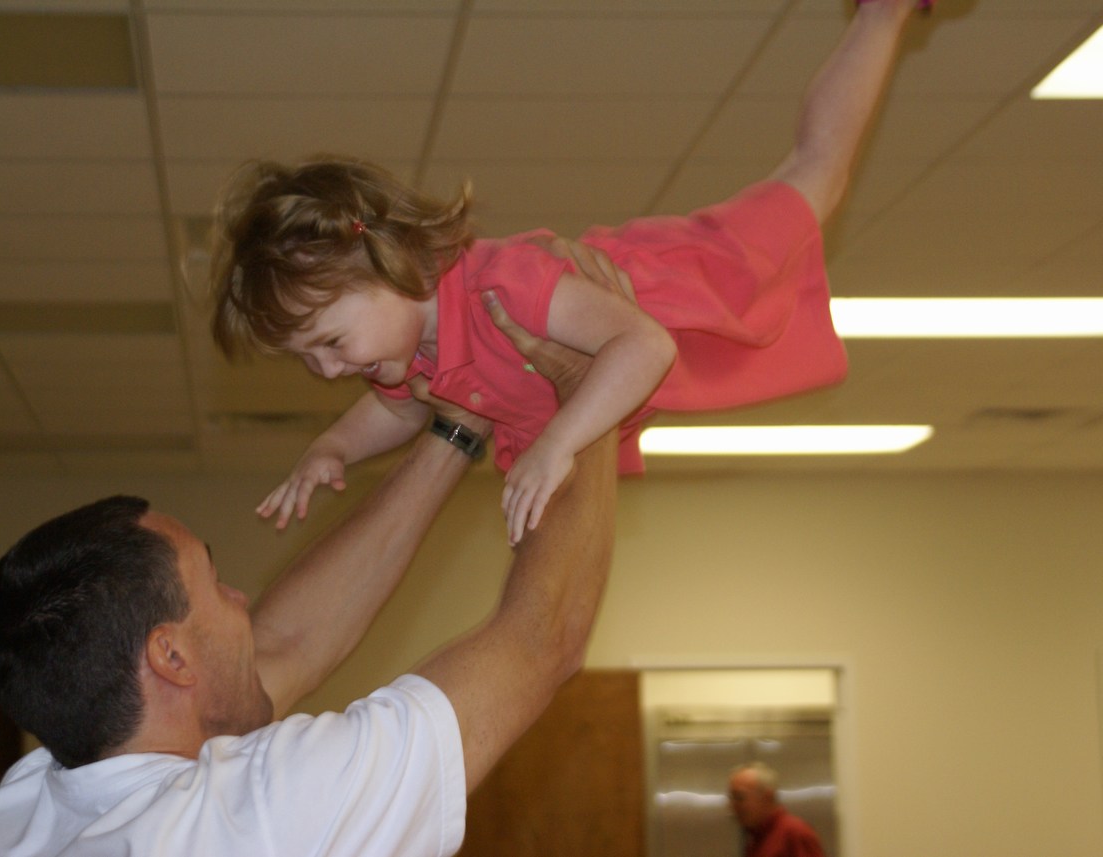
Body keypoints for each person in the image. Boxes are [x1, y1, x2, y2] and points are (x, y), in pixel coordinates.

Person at [209, 0, 936, 545]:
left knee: (815, 176)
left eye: (330, 341)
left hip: (674, 289)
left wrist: (557, 444)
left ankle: (884, 11)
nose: (327, 370)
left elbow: (645, 344)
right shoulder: (409, 356)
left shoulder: (501, 284)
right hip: (634, 365)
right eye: (307, 357)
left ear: (385, 262)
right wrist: (330, 448)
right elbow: (395, 411)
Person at [0, 274, 620, 857]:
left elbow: (280, 647)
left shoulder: (10, 819)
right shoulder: (262, 812)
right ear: (170, 657)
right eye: (214, 585)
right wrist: (589, 387)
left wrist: (457, 428)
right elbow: (542, 638)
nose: (242, 598)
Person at [728, 762, 827, 857]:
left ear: (767, 797)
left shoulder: (795, 834)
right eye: (732, 798)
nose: (733, 806)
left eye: (739, 797)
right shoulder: (756, 839)